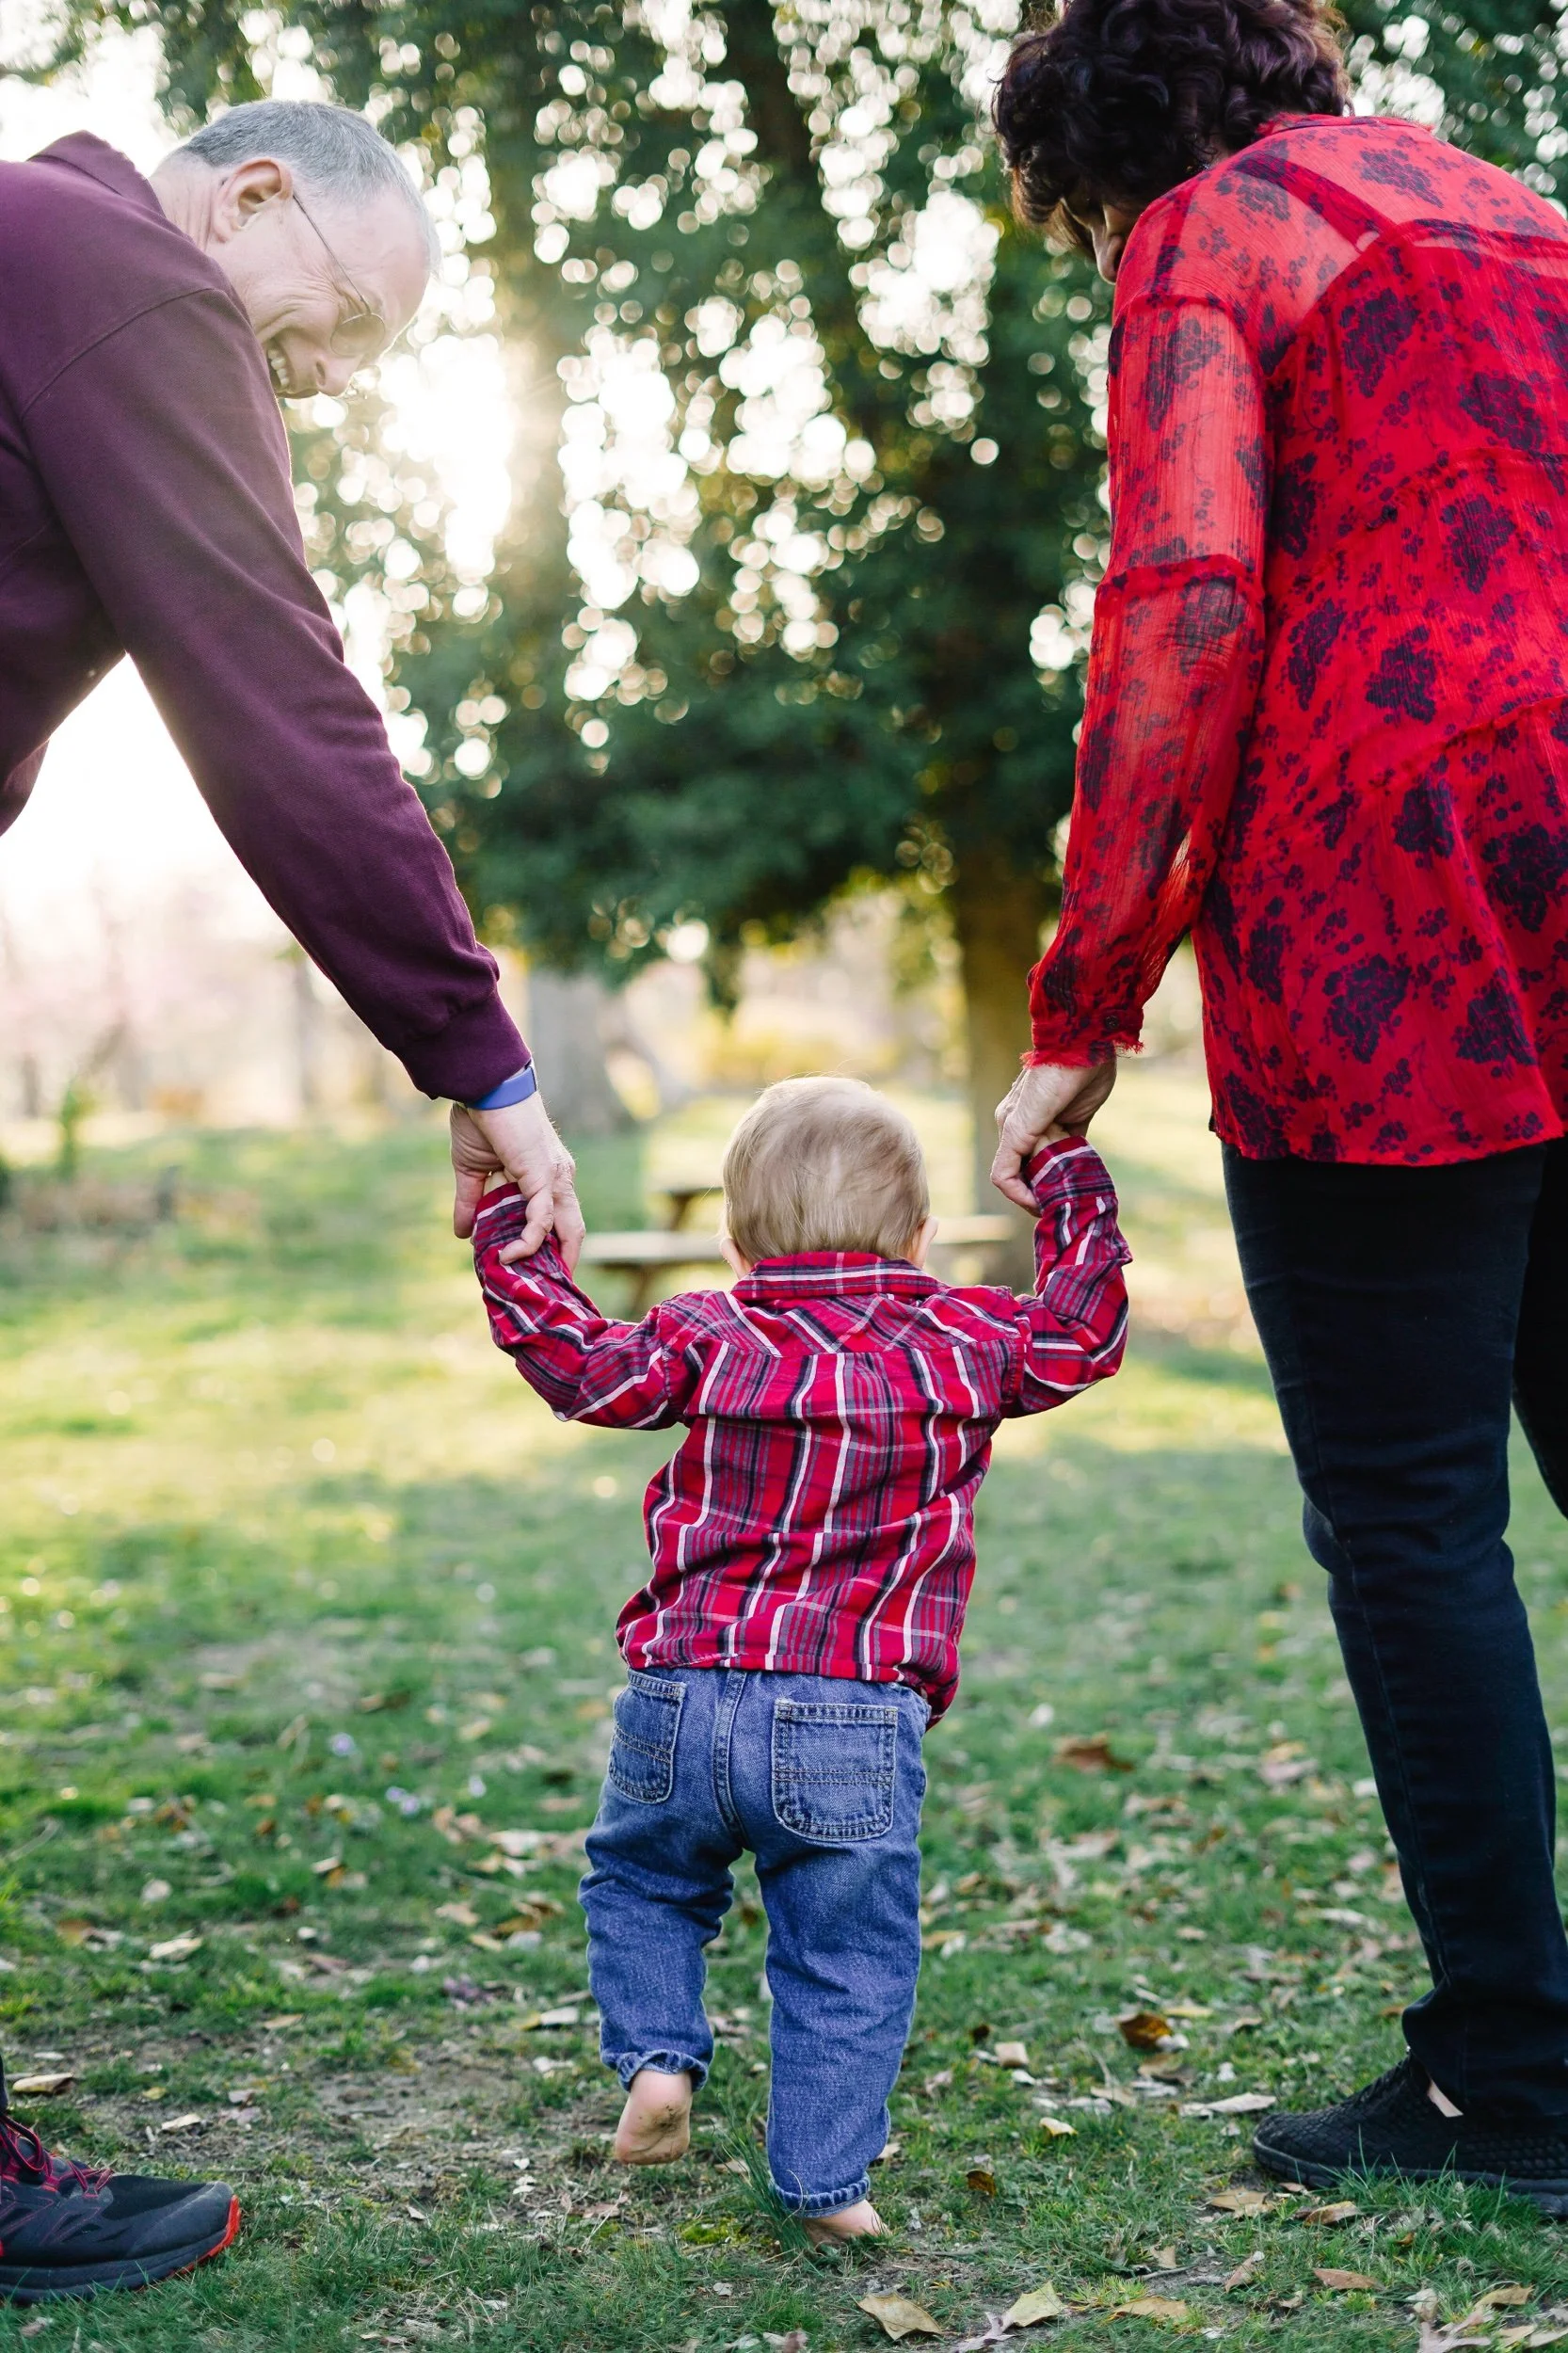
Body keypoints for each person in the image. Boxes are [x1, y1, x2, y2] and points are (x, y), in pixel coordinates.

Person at [990, 0, 1568, 2210]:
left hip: (1385, 909)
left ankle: (1515, 2083)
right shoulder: (1517, 210)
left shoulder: (1204, 238)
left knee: (1411, 1516)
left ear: (1105, 148)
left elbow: (1188, 597)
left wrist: (1084, 991)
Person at [0, 98, 580, 2298]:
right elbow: (274, 695)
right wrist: (476, 1049)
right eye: (328, 327)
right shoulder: (134, 279)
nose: (316, 387)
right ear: (250, 195)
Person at [470, 1077, 1129, 2236]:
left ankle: (657, 2060)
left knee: (643, 1884)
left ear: (735, 1243)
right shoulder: (966, 1339)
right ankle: (827, 2183)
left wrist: (504, 1222)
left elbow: (578, 1362)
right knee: (845, 1957)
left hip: (680, 1697)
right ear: (919, 1236)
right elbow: (1083, 1332)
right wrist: (1066, 1168)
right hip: (851, 1716)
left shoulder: (707, 1333)